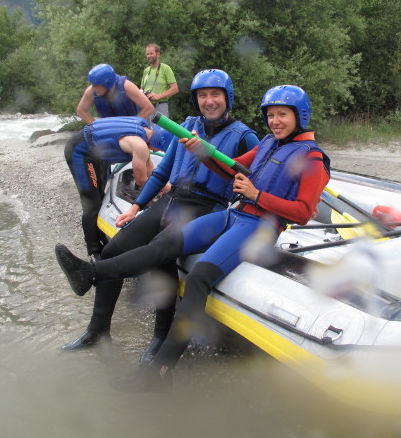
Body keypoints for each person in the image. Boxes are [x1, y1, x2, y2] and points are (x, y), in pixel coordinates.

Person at [55, 85, 331, 391]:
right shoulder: (268, 143)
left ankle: (160, 371)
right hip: (233, 215)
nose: (276, 121)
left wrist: (257, 194)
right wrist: (201, 151)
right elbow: (230, 168)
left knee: (199, 277)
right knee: (164, 245)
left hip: (259, 227)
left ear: (299, 116)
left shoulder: (314, 158)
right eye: (271, 115)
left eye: (283, 115)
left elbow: (304, 212)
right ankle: (89, 273)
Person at [56, 69, 260, 358]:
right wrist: (137, 206)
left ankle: (160, 339)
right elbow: (163, 170)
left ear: (228, 98)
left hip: (205, 207)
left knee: (161, 259)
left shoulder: (244, 137)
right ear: (196, 99)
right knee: (112, 250)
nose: (209, 101)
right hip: (170, 201)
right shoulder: (187, 125)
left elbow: (256, 179)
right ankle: (97, 330)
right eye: (203, 95)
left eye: (216, 95)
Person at [67, 64, 155, 257]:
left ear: (108, 83)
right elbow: (81, 110)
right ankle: (94, 251)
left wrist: (130, 125)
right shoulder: (93, 89)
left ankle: (100, 235)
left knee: (100, 192)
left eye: (96, 86)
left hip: (117, 138)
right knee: (92, 201)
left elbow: (148, 107)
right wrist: (99, 127)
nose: (93, 89)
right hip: (86, 149)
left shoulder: (126, 86)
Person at [140, 44, 179, 117]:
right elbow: (142, 88)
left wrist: (158, 96)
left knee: (160, 128)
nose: (149, 56)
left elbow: (175, 89)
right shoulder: (146, 71)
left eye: (151, 53)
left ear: (158, 54)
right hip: (147, 106)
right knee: (148, 128)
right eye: (147, 54)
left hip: (161, 106)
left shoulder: (165, 68)